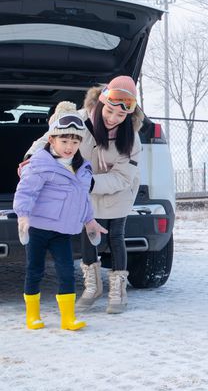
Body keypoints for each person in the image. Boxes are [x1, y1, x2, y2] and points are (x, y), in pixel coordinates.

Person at [23, 76, 143, 314]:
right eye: (109, 111)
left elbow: (122, 177)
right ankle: (92, 286)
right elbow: (49, 138)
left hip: (116, 190)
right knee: (88, 235)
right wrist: (29, 159)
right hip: (83, 188)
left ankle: (118, 289)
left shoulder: (131, 137)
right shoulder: (78, 119)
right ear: (101, 102)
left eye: (121, 116)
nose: (113, 119)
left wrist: (86, 182)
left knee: (115, 235)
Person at [14, 102, 107, 330]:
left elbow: (82, 199)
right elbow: (26, 191)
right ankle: (33, 315)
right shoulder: (40, 163)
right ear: (52, 140)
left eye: (75, 142)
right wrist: (23, 215)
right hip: (38, 228)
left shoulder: (82, 168)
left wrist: (89, 220)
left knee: (66, 272)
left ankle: (68, 318)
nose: (69, 146)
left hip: (62, 231)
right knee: (35, 270)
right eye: (64, 141)